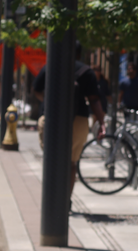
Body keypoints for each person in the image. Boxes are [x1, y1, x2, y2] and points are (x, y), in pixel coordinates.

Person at [33, 44, 107, 194]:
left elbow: (36, 90)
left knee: (51, 160)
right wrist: (101, 122)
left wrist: (49, 102)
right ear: (80, 54)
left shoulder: (50, 67)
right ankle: (66, 198)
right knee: (71, 163)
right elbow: (94, 100)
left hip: (51, 118)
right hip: (78, 118)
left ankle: (51, 197)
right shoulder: (87, 72)